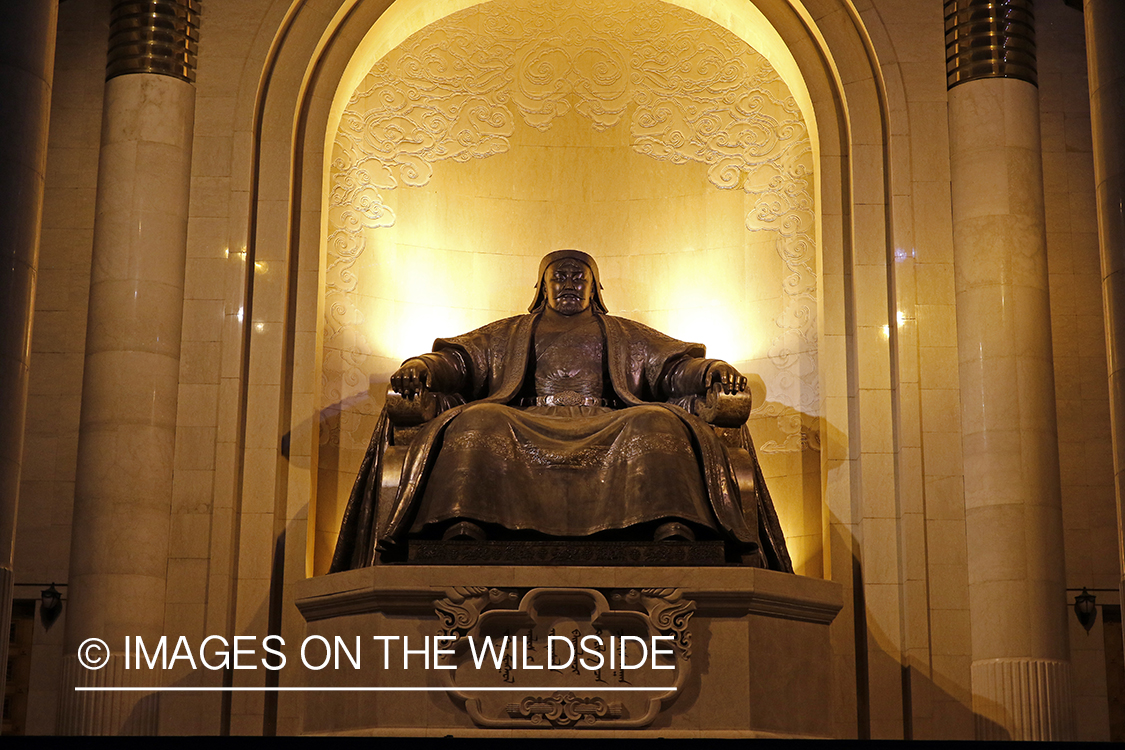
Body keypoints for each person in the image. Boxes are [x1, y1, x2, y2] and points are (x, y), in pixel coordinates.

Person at [330, 250, 791, 571]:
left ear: (594, 286)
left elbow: (672, 369)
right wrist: (420, 368)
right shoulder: (511, 331)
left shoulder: (622, 332)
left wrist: (713, 371)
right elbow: (459, 362)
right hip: (527, 417)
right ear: (542, 285)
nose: (569, 283)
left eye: (578, 276)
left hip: (607, 418)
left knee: (655, 420)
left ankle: (670, 527)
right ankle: (464, 524)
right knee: (479, 419)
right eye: (560, 276)